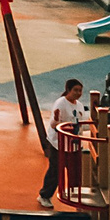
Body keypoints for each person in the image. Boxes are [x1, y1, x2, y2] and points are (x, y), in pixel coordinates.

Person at [39, 79, 87, 209]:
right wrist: (59, 123)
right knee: (55, 170)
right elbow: (54, 124)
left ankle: (77, 198)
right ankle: (44, 195)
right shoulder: (61, 103)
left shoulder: (80, 105)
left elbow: (83, 123)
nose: (78, 93)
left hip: (74, 144)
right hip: (58, 144)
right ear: (68, 90)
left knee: (76, 172)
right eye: (75, 90)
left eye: (80, 90)